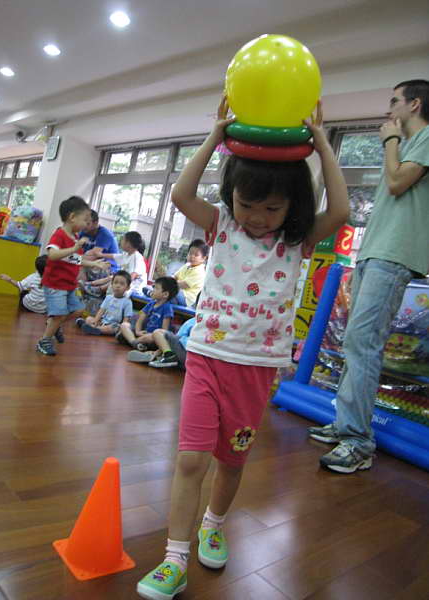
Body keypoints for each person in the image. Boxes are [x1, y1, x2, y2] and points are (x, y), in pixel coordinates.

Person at [136, 95, 349, 599]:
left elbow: (340, 210)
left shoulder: (297, 240)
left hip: (256, 370)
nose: (257, 217)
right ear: (232, 198)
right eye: (247, 204)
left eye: (272, 208)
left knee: (231, 462)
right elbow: (181, 193)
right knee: (192, 461)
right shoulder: (222, 226)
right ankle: (174, 558)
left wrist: (323, 145)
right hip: (207, 358)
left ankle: (214, 524)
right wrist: (215, 135)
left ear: (292, 206)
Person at [308, 79, 429, 473]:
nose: (389, 108)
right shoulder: (407, 145)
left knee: (363, 344)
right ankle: (346, 425)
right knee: (354, 343)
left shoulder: (425, 138)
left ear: (415, 104)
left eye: (395, 100)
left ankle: (358, 442)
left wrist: (390, 139)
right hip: (374, 253)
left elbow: (397, 183)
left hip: (393, 257)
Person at [36, 196, 109, 356]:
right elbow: (52, 255)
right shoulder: (59, 234)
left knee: (78, 310)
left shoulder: (75, 237)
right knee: (59, 314)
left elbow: (75, 259)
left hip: (69, 284)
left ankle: (54, 325)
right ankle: (44, 340)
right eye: (85, 220)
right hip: (55, 283)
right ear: (72, 217)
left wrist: (95, 264)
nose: (86, 225)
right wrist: (74, 248)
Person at [116, 276, 178, 350]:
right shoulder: (151, 304)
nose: (153, 290)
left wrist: (153, 336)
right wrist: (138, 331)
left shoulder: (167, 308)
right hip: (143, 333)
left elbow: (164, 331)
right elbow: (140, 319)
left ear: (165, 294)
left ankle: (133, 342)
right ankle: (135, 343)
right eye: (153, 287)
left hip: (152, 337)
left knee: (149, 337)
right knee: (124, 325)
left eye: (156, 288)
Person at [76, 270, 133, 335]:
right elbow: (101, 310)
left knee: (113, 328)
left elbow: (126, 319)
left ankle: (93, 328)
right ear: (111, 284)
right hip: (103, 321)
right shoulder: (108, 298)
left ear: (128, 288)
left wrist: (122, 330)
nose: (118, 286)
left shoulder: (127, 302)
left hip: (114, 325)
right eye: (115, 283)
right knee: (89, 319)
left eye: (122, 284)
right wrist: (95, 321)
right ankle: (94, 328)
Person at [94, 231, 147, 296]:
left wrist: (121, 282)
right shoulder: (126, 254)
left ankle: (99, 290)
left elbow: (133, 275)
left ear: (128, 244)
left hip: (135, 283)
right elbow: (114, 256)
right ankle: (92, 284)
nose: (121, 242)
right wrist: (101, 255)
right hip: (127, 279)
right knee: (112, 277)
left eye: (122, 240)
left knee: (115, 281)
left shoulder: (136, 257)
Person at [172, 239, 208, 306]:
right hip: (178, 292)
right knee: (165, 292)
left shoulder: (200, 271)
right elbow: (175, 276)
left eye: (196, 255)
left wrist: (169, 283)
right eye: (190, 253)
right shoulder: (187, 265)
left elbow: (184, 285)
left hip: (186, 298)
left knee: (167, 293)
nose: (192, 256)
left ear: (203, 258)